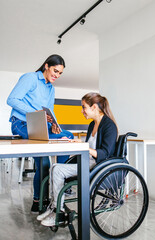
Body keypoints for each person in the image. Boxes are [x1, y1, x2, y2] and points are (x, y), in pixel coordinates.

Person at [36, 92, 118, 226]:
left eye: (84, 107)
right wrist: (73, 142)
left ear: (94, 107)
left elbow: (105, 153)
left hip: (98, 165)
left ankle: (59, 212)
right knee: (54, 167)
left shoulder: (109, 126)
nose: (82, 111)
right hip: (88, 162)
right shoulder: (92, 125)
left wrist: (81, 146)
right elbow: (88, 147)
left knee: (57, 170)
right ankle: (53, 207)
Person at [7, 54, 74, 213]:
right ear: (46, 66)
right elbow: (12, 99)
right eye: (55, 71)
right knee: (44, 163)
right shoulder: (30, 78)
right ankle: (39, 200)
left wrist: (55, 125)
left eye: (59, 73)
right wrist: (34, 112)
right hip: (21, 124)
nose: (56, 75)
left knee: (68, 135)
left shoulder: (51, 88)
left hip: (40, 125)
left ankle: (59, 177)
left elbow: (49, 111)